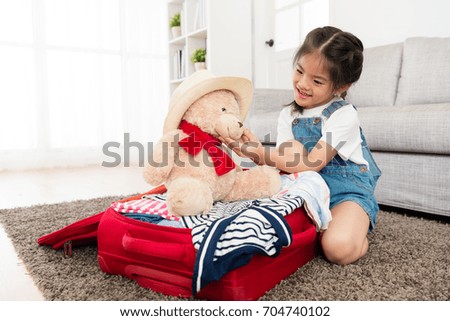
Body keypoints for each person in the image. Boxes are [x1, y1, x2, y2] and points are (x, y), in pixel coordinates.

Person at [223, 26, 381, 265]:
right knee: (264, 230)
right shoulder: (288, 114)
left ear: (340, 87)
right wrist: (257, 152)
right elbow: (289, 162)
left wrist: (262, 154)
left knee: (337, 249)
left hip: (345, 193)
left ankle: (359, 227)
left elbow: (313, 163)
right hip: (307, 190)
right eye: (299, 71)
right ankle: (323, 222)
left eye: (317, 81)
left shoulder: (344, 114)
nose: (303, 84)